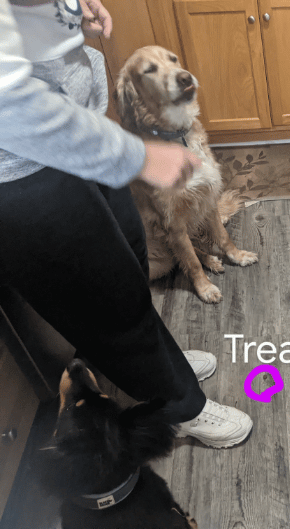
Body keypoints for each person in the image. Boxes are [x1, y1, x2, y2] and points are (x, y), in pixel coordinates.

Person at [0, 0, 252, 449]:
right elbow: (9, 106)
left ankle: (162, 364)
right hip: (24, 172)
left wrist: (64, 11)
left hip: (83, 135)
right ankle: (181, 407)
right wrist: (138, 156)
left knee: (129, 268)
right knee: (107, 299)